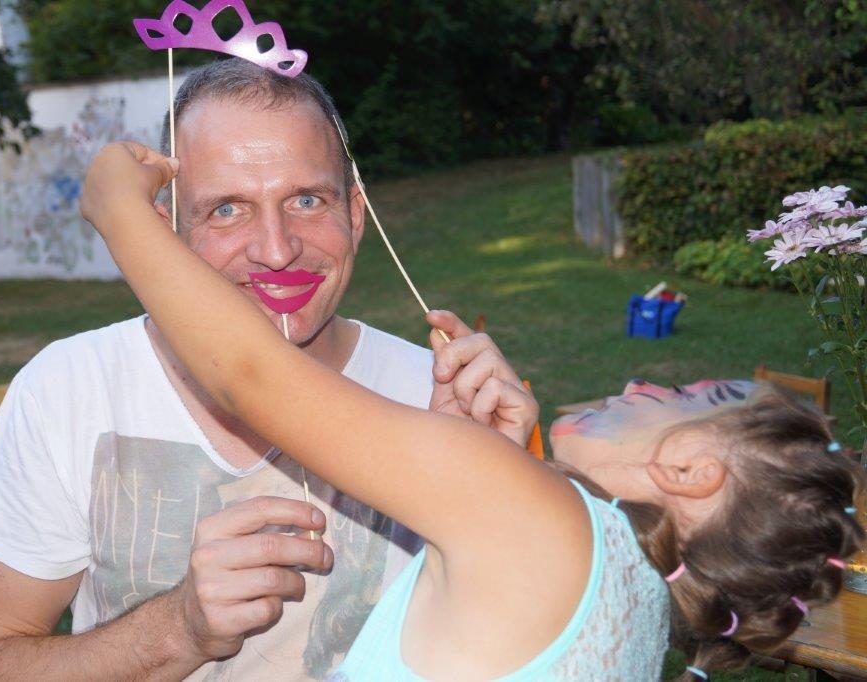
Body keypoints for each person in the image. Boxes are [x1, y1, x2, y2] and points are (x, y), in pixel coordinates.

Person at [78, 139, 865, 680]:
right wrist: (484, 459)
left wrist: (120, 210)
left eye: (694, 396)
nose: (647, 387)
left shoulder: (531, 517)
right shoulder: (633, 593)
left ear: (692, 470)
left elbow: (251, 375)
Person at [0, 59, 533, 681]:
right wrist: (178, 629)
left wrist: (492, 488)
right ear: (166, 229)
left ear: (356, 216)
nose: (277, 250)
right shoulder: (69, 388)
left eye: (307, 200)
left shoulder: (439, 398)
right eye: (227, 209)